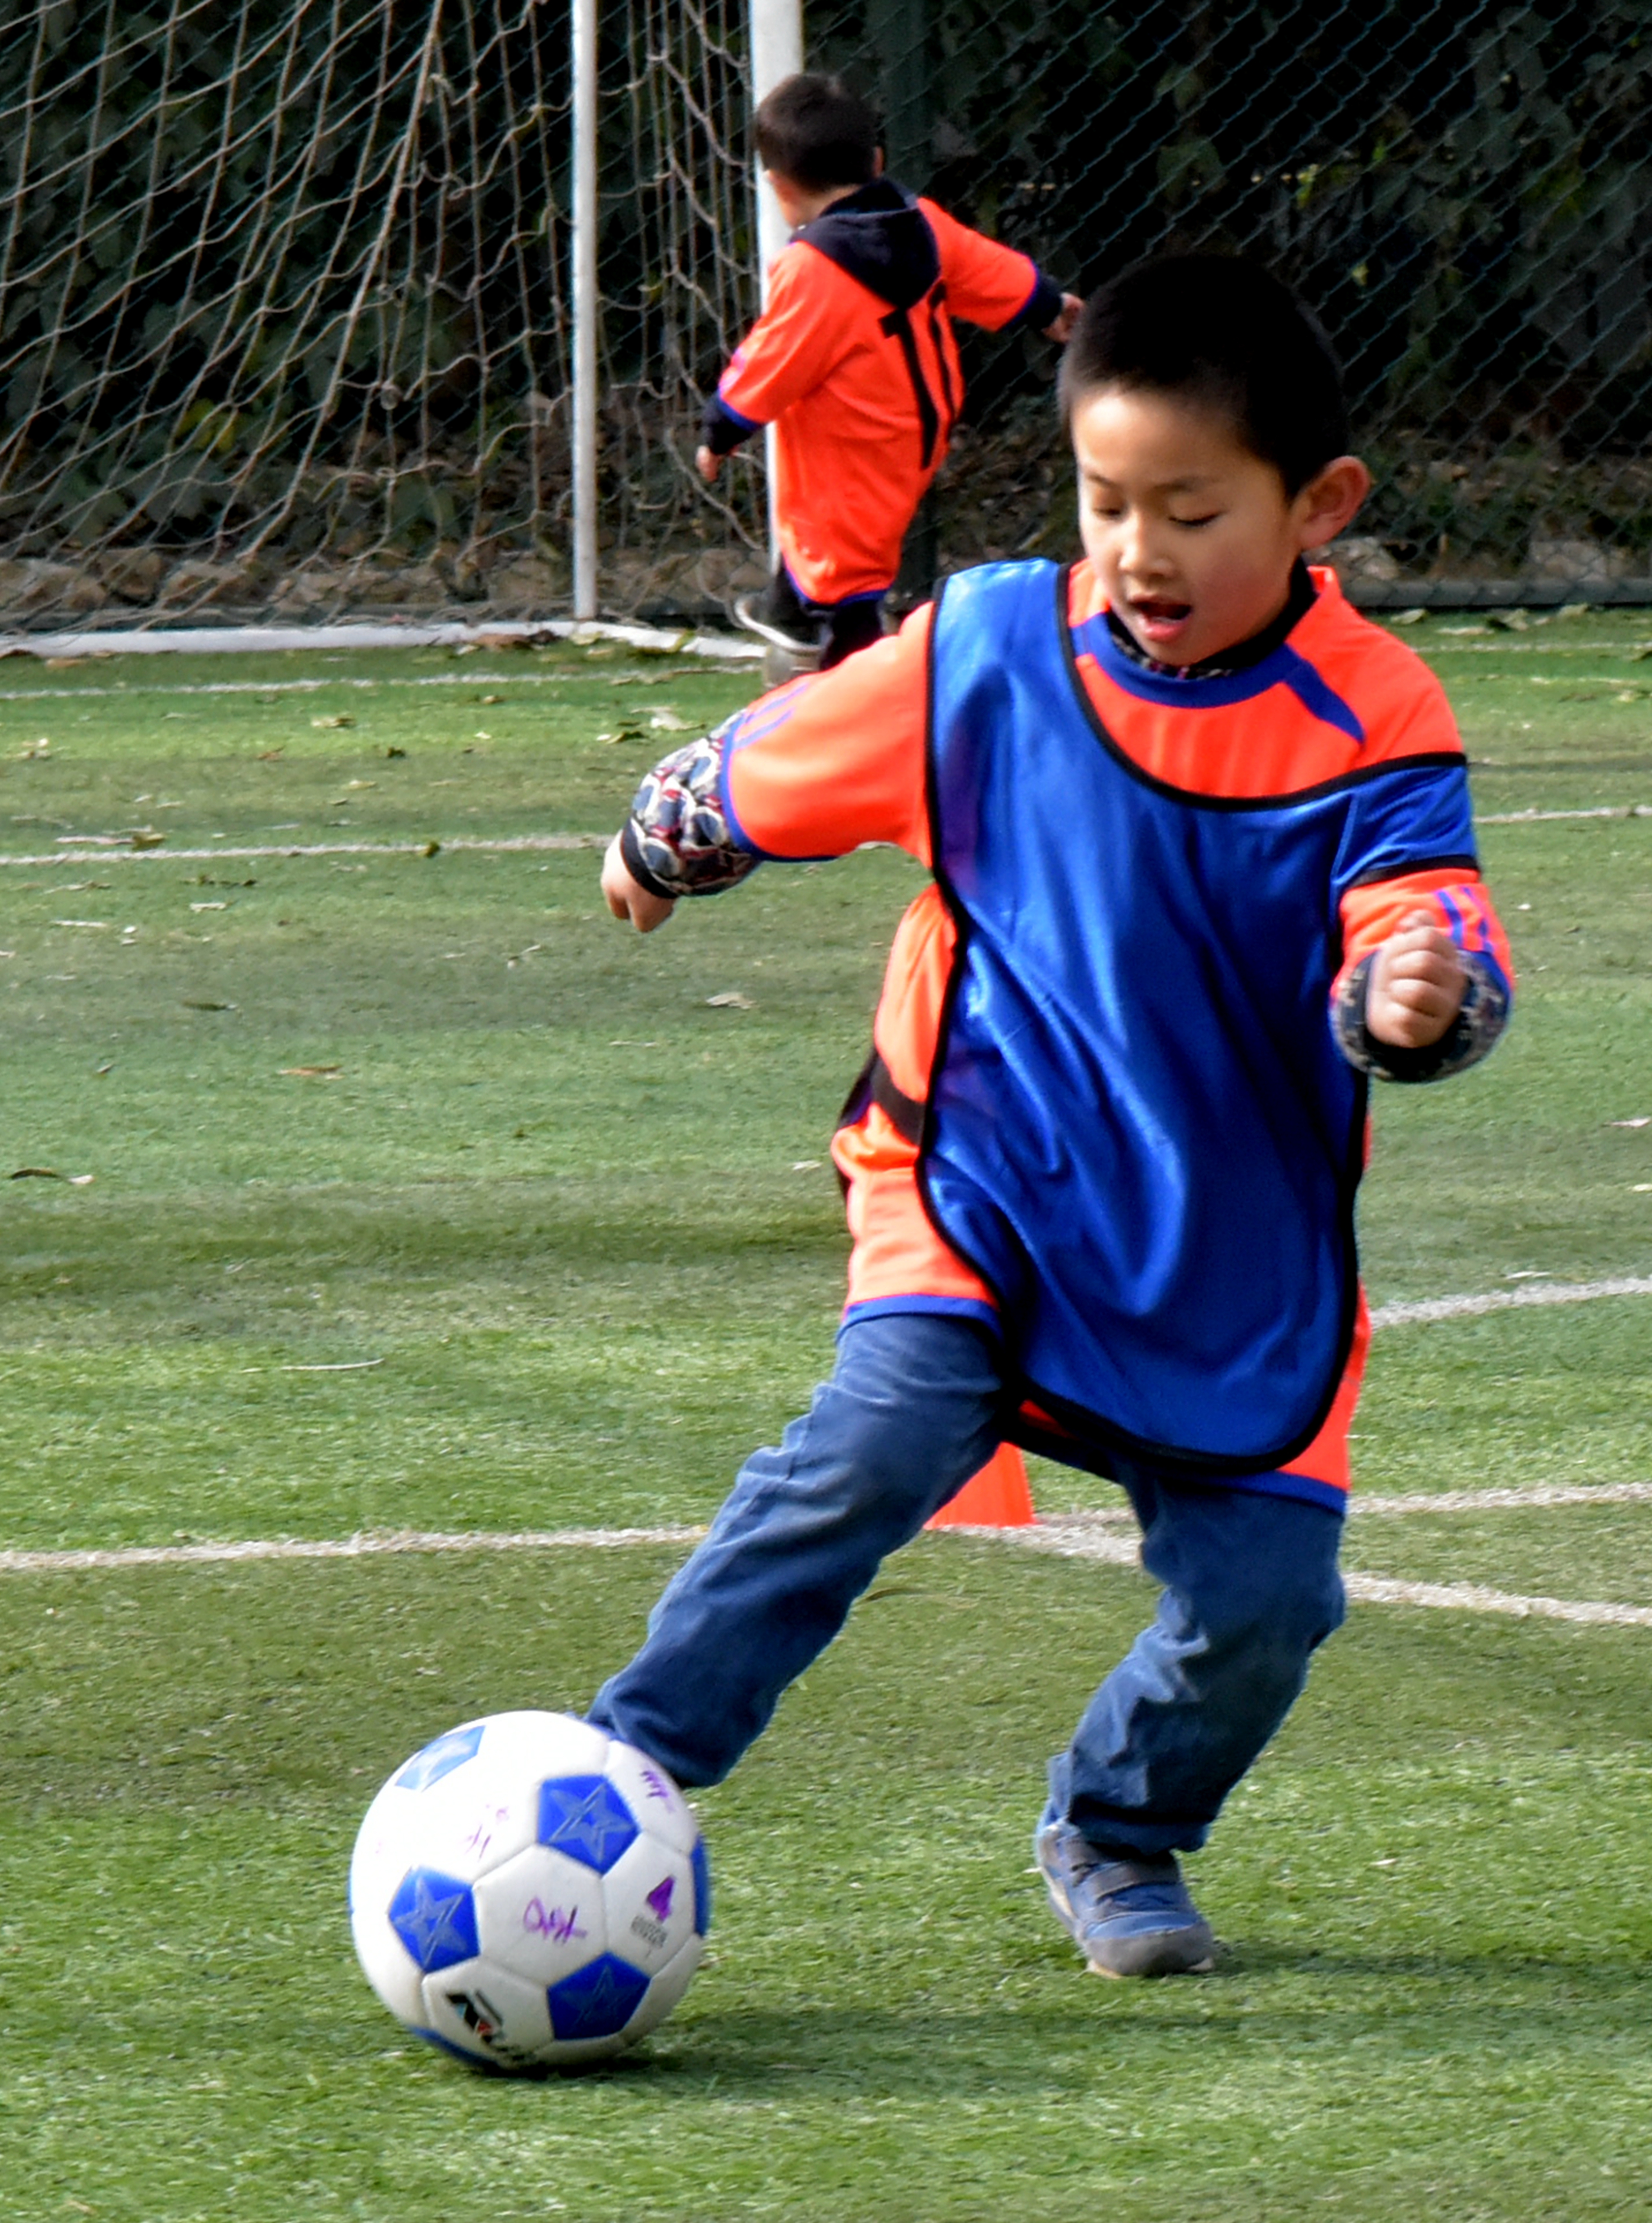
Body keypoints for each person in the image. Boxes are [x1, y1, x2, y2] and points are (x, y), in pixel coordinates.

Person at [594, 254, 1514, 1977]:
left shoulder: (1373, 709)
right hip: (976, 1176)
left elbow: (1425, 904)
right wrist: (666, 834)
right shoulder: (992, 652)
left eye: (1191, 508)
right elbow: (782, 753)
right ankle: (619, 1771)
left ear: (1319, 507)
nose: (1140, 550)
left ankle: (1120, 1828)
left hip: (1226, 1239)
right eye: (1106, 500)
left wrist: (1425, 984)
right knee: (873, 1443)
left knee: (1270, 1596)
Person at [700, 72, 1082, 671]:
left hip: (856, 445)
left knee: (846, 568)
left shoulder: (812, 271)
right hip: (914, 433)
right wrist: (1045, 303)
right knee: (826, 538)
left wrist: (722, 425)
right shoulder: (919, 219)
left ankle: (848, 670)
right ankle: (793, 609)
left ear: (777, 187)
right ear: (875, 161)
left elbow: (770, 358)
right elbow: (984, 268)